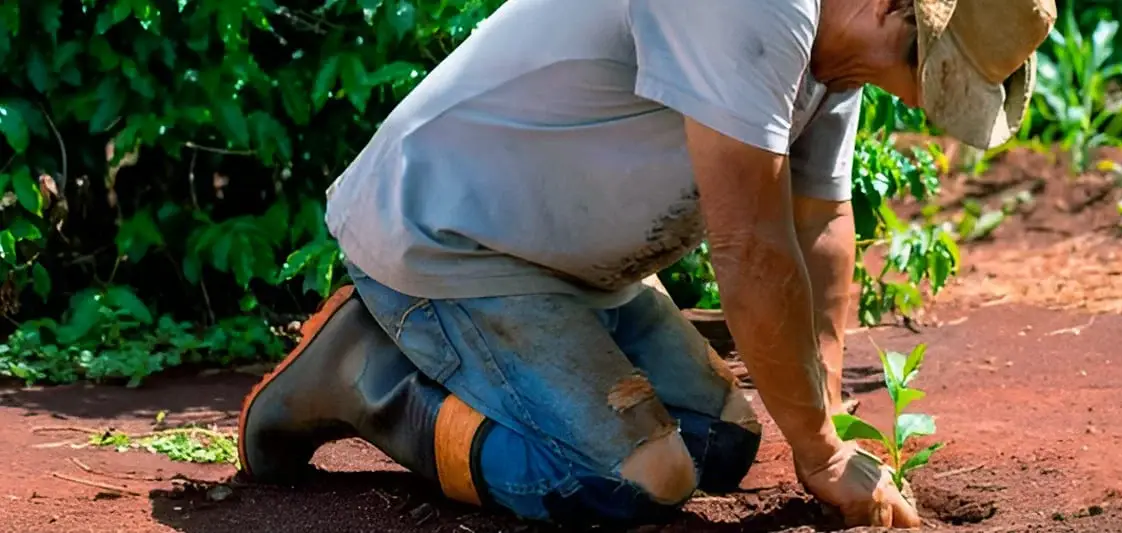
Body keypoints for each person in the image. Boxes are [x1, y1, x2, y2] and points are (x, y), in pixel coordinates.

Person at [236, 0, 1054, 528]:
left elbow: (821, 224)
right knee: (639, 481)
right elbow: (752, 249)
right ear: (883, 6)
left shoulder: (836, 62)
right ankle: (363, 377)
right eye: (926, 79)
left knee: (723, 444)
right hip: (449, 240)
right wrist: (824, 458)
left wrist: (828, 414)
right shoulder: (757, 10)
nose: (915, 102)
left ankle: (461, 364)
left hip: (580, 272)